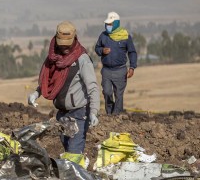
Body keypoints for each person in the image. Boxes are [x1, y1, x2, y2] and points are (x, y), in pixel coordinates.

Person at [28, 21, 100, 165]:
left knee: (74, 154)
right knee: (67, 149)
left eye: (68, 43)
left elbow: (92, 87)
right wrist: (36, 93)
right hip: (62, 114)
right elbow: (47, 81)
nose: (65, 47)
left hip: (79, 113)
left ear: (74, 39)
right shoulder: (53, 58)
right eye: (62, 43)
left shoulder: (82, 59)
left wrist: (94, 111)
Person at [94, 12, 137, 115]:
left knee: (119, 94)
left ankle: (116, 116)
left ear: (117, 23)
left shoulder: (125, 36)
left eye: (110, 24)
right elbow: (97, 48)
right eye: (107, 24)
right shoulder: (103, 35)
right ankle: (109, 113)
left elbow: (132, 52)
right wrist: (102, 50)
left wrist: (132, 67)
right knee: (107, 92)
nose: (108, 26)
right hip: (106, 70)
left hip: (120, 70)